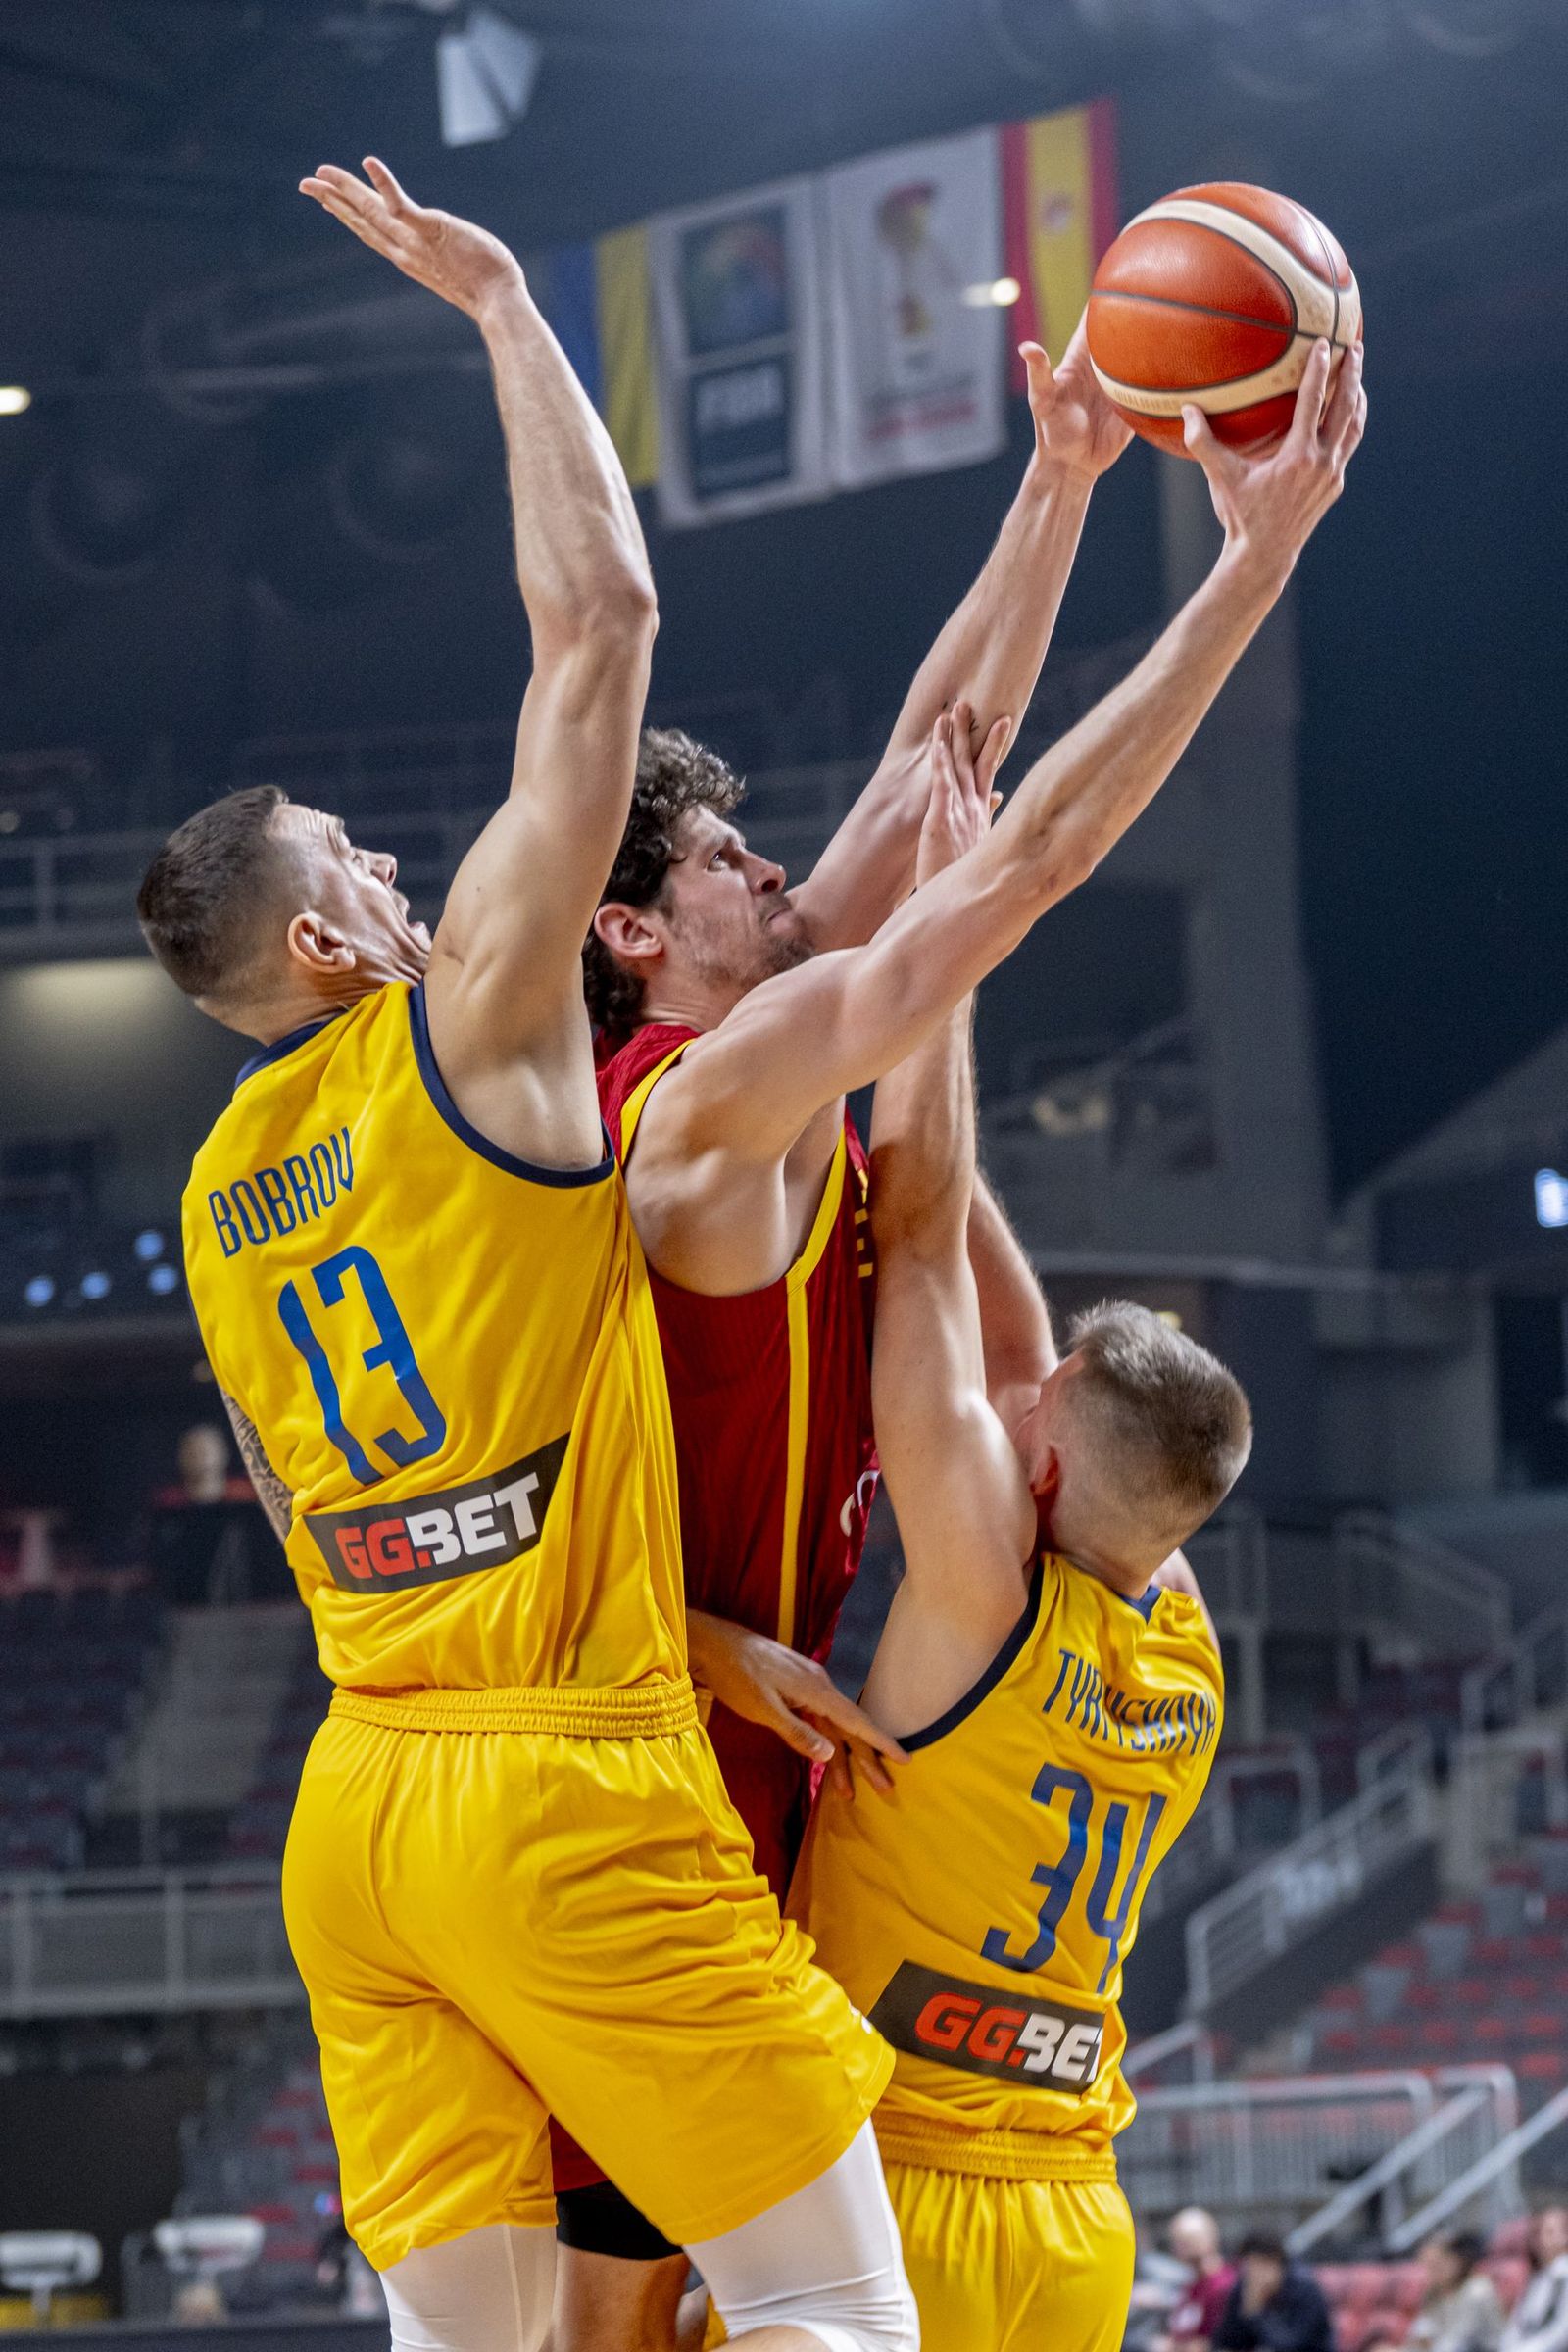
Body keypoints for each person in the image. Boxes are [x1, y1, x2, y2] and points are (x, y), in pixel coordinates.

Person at [147, 161, 916, 2352]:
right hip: (553, 1786)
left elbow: (348, 1507)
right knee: (836, 2318)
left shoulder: (215, 1199)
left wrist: (675, 1618)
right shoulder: (466, 1021)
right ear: (327, 940)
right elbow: (602, 633)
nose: (412, 871)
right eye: (371, 864)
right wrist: (499, 306)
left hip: (359, 1812)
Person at [555, 322, 1138, 2348]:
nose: (772, 867)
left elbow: (939, 750)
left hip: (775, 1741)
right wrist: (705, 1642)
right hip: (642, 1758)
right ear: (630, 931)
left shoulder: (781, 1030)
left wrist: (1058, 475)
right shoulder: (673, 1116)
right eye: (722, 863)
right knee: (611, 2320)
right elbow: (518, 1511)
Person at [786, 686, 1258, 2348]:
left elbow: (913, 1256)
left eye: (1034, 1407)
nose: (1018, 1386)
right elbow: (1016, 1352)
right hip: (1072, 2226)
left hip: (886, 2193)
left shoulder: (985, 1592)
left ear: (1041, 1463)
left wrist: (933, 958)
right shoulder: (1182, 1632)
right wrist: (895, 1035)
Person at [1367, 2231, 1502, 2352]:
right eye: (1426, 2266)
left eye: (1435, 2265)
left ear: (1457, 2261)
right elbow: (1421, 2337)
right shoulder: (1434, 2293)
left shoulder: (1476, 2291)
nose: (1429, 2273)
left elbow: (1456, 2345)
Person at [1212, 2238, 1335, 2352]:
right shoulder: (1244, 2288)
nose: (1253, 2274)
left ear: (1275, 2264)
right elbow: (1226, 2342)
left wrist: (1256, 2313)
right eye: (1248, 2267)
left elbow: (1290, 2344)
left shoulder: (1305, 2289)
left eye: (1258, 2266)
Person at [1164, 2208, 1239, 2352]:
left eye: (1185, 2241)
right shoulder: (1191, 2286)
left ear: (1208, 2239)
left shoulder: (1225, 2285)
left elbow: (1221, 2341)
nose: (1177, 2248)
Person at [1500, 2210, 1568, 2352]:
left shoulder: (1563, 2275)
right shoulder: (1537, 2278)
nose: (1561, 2238)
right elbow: (1517, 2324)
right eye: (1548, 2232)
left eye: (1563, 2230)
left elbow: (1562, 2333)